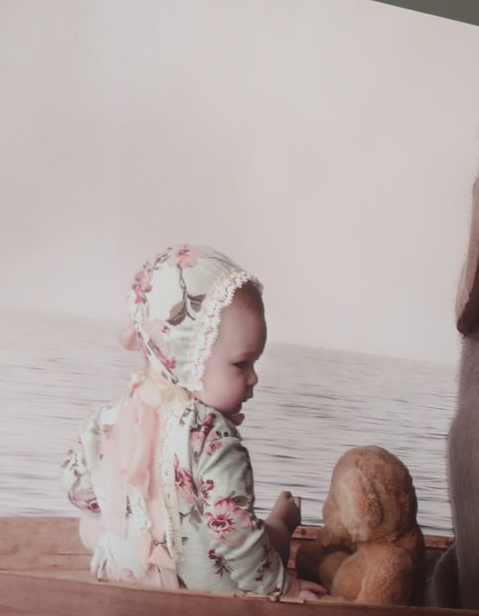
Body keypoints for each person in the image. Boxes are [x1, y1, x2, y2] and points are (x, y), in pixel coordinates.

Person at [62, 244, 303, 596]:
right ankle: (284, 519)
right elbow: (234, 533)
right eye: (242, 363)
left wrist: (127, 512)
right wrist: (285, 587)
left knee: (93, 526)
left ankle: (126, 549)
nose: (254, 378)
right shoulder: (209, 435)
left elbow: (75, 486)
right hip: (205, 592)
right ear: (188, 355)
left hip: (123, 575)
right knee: (268, 538)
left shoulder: (110, 418)